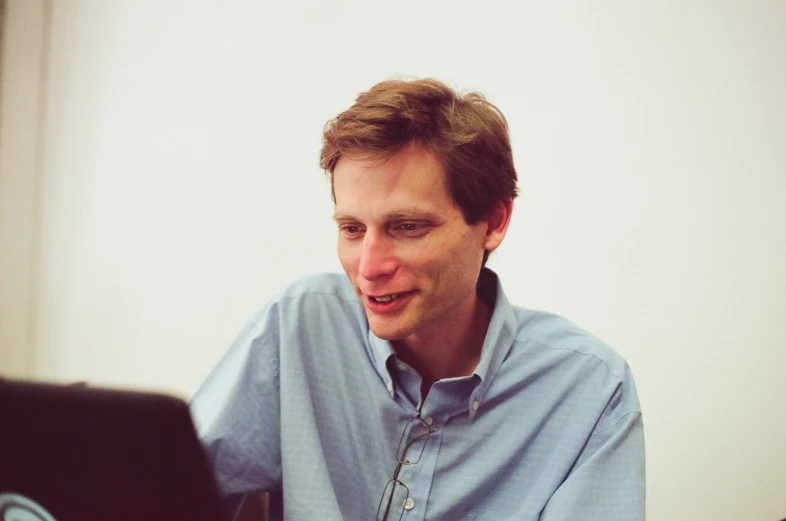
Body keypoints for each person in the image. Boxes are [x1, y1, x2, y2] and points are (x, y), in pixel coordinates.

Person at [190, 78, 646, 521]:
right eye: (352, 229)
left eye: (407, 227)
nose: (369, 267)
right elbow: (159, 490)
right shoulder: (298, 325)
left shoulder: (590, 389)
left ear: (493, 221)